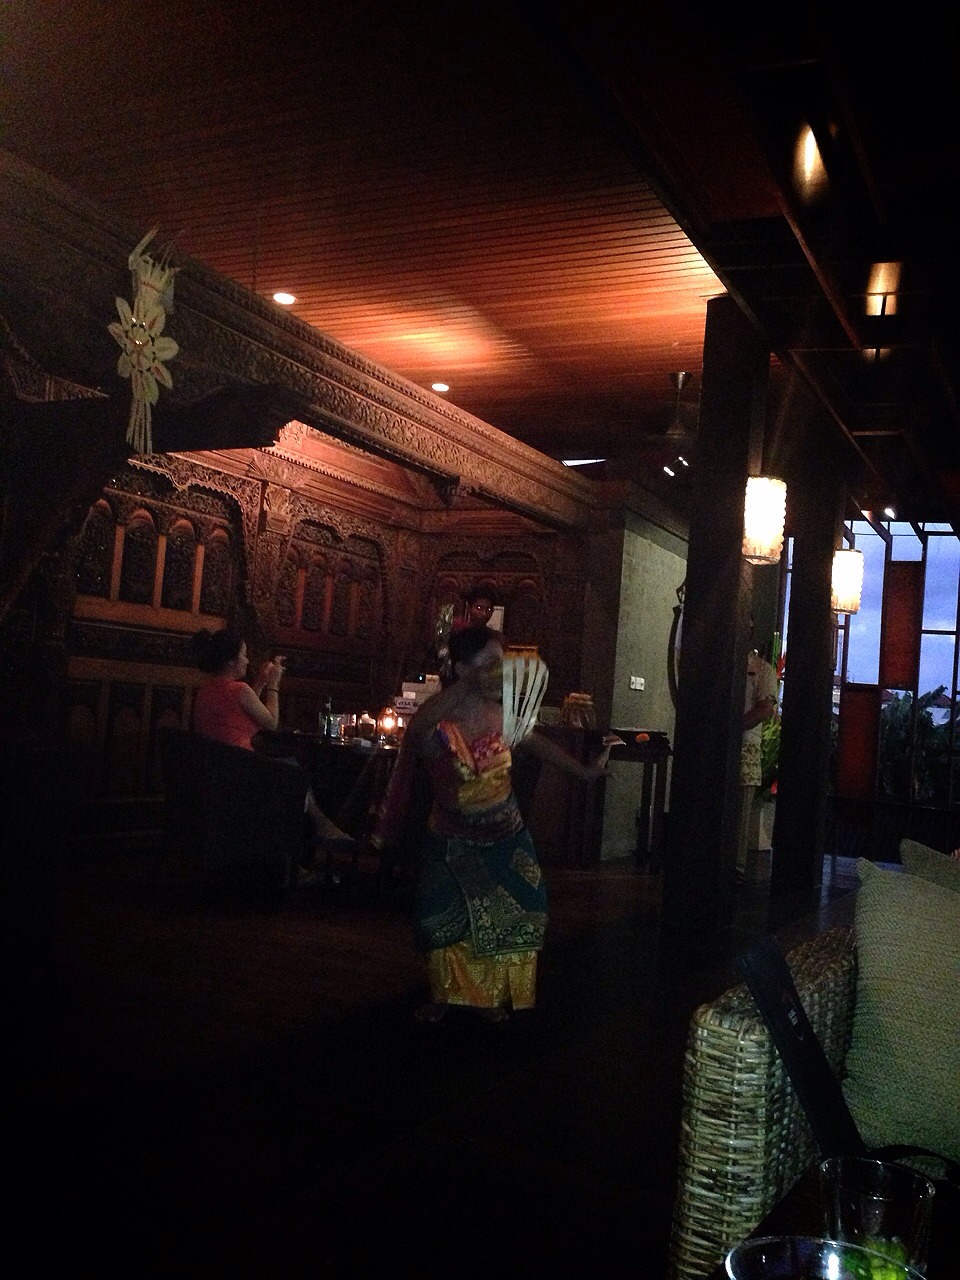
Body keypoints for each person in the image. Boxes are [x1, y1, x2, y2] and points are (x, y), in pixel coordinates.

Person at [398, 623, 609, 1024]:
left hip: (505, 834)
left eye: (501, 662)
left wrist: (584, 772)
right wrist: (467, 684)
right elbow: (417, 729)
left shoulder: (503, 714)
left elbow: (539, 744)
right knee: (441, 919)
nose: (500, 671)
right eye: (490, 663)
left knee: (521, 911)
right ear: (462, 668)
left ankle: (490, 996)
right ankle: (445, 994)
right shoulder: (440, 718)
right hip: (451, 837)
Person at [190, 627, 353, 872]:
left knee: (289, 767)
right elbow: (270, 722)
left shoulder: (207, 690)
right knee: (294, 774)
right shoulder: (238, 690)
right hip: (240, 779)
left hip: (216, 777)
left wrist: (260, 682)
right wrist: (274, 685)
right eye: (243, 654)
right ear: (231, 661)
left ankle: (311, 840)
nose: (247, 660)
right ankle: (301, 854)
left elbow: (244, 710)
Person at [737, 645, 779, 882]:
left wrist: (733, 726)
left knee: (741, 811)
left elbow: (764, 710)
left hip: (746, 744)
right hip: (718, 745)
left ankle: (736, 867)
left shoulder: (762, 669)